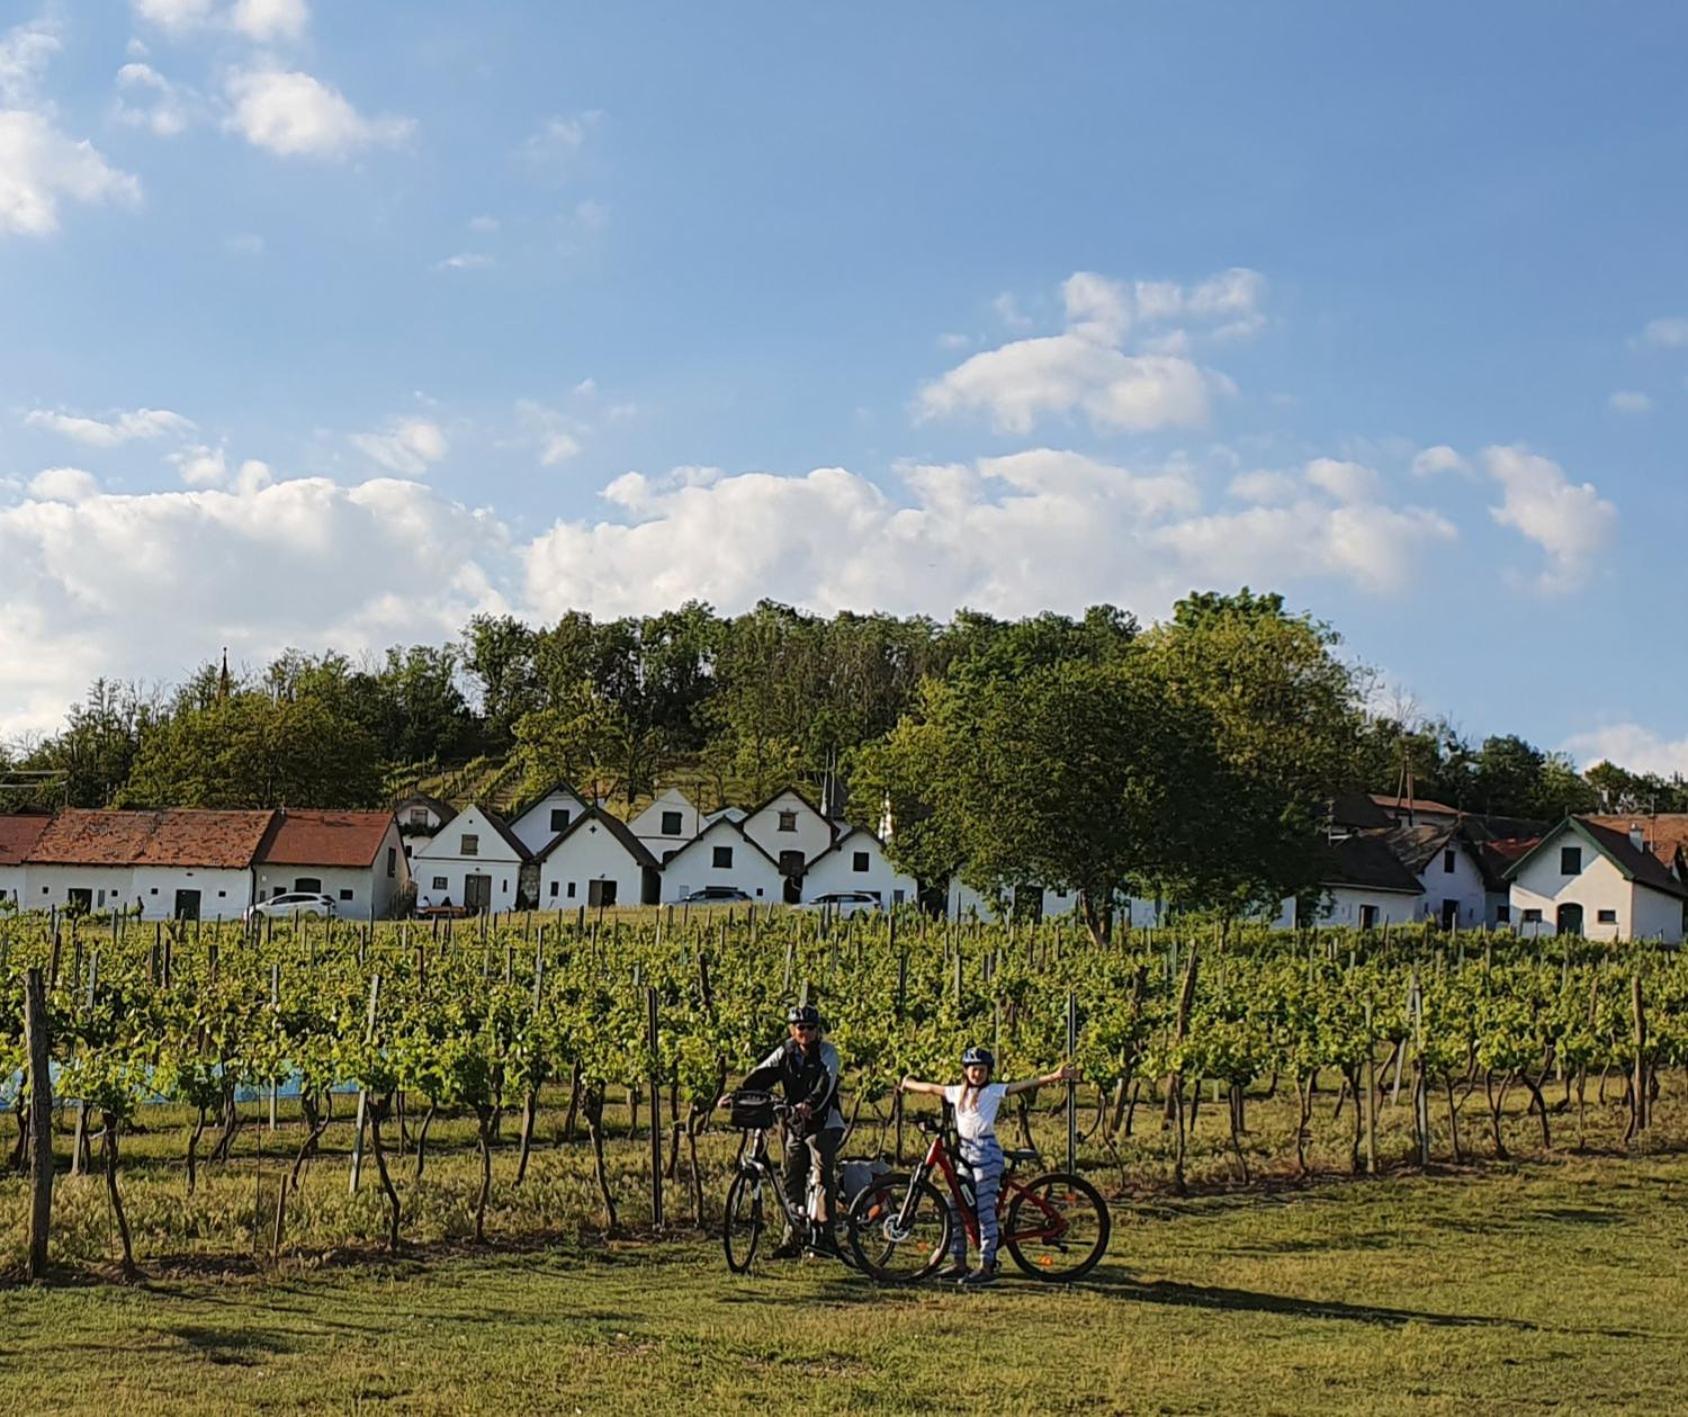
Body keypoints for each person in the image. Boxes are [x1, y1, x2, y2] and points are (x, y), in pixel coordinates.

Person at [899, 1047, 1077, 1286]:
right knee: (955, 1205)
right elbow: (932, 1088)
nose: (977, 1074)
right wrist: (907, 1084)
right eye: (973, 1070)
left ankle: (987, 1264)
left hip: (986, 1154)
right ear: (965, 1071)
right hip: (965, 1153)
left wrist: (1055, 1076)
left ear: (988, 1072)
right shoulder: (957, 1092)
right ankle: (959, 1261)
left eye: (982, 1070)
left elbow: (1022, 1085)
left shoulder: (993, 1091)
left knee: (984, 1210)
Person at [736, 1004, 845, 1258]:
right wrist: (739, 1094)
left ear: (818, 1031)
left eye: (810, 1027)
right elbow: (762, 1074)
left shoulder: (828, 1053)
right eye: (799, 1027)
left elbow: (825, 1083)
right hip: (795, 1123)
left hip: (824, 1123)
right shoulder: (785, 1051)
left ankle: (826, 1237)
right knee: (791, 1177)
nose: (804, 1032)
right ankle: (792, 1237)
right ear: (791, 1029)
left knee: (821, 1175)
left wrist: (810, 1104)